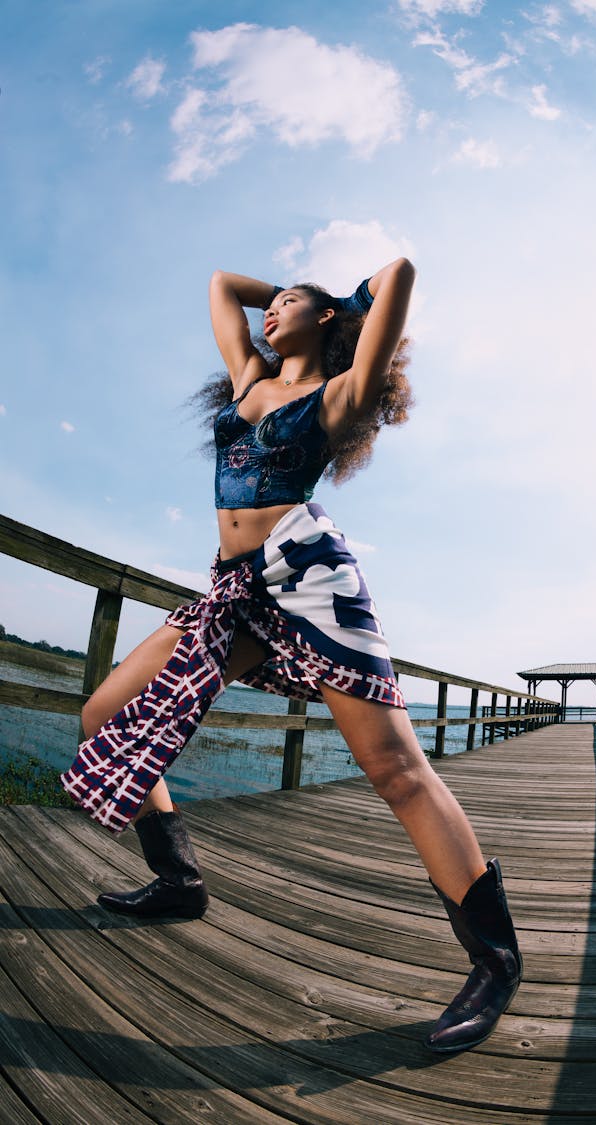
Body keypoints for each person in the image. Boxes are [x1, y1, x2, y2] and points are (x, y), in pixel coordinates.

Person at [61, 257, 522, 1054]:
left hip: (309, 578)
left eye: (287, 304)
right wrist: (285, 294)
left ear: (326, 320)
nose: (269, 311)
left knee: (395, 770)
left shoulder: (338, 394)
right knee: (103, 713)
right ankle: (179, 880)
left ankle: (495, 958)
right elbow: (216, 285)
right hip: (236, 586)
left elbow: (399, 272)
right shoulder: (246, 378)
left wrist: (340, 302)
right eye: (269, 305)